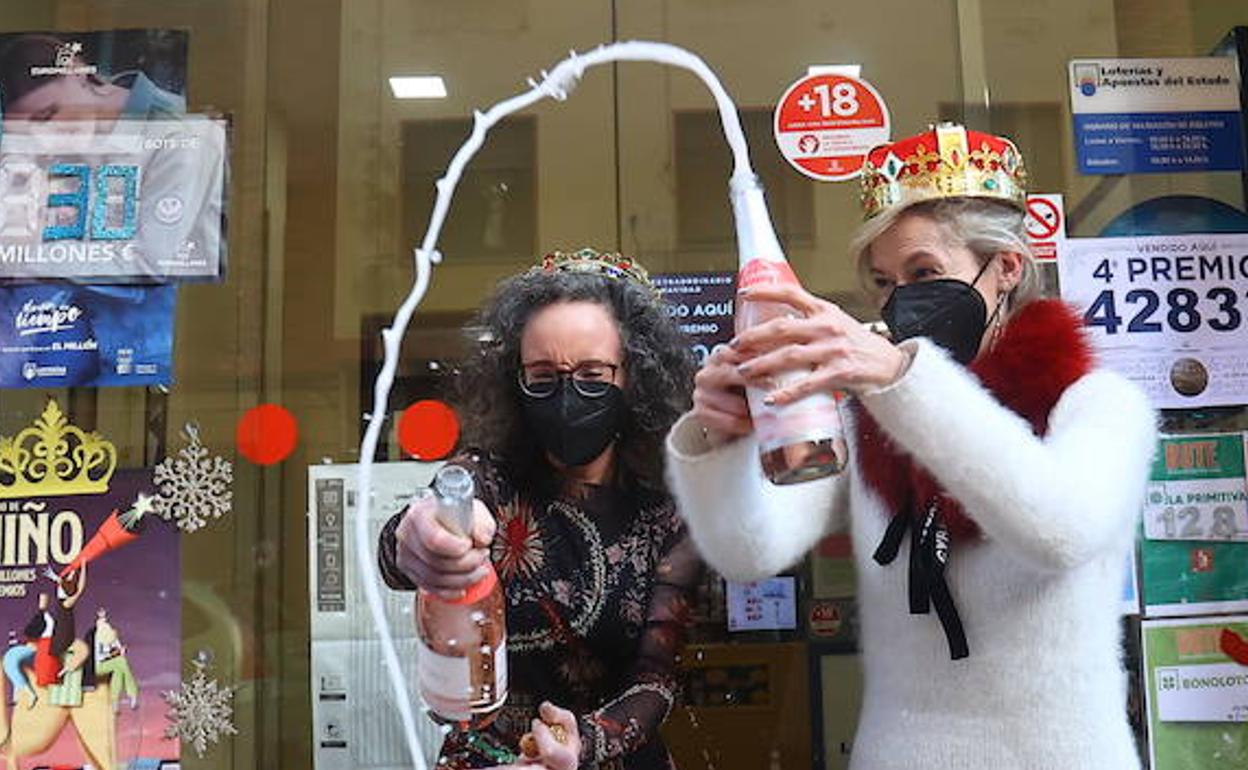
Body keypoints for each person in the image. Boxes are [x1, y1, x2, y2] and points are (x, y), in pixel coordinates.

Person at [665, 124, 1156, 770]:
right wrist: (718, 441)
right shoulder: (875, 420)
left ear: (1006, 266)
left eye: (924, 272)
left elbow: (1060, 528)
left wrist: (900, 380)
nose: (901, 301)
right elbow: (751, 550)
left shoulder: (1099, 404)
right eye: (884, 282)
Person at [379, 249, 702, 770]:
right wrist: (411, 539)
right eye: (543, 376)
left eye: (593, 374)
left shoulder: (667, 511)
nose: (568, 396)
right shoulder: (487, 479)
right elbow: (414, 533)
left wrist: (582, 744)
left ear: (634, 377)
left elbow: (658, 675)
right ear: (516, 380)